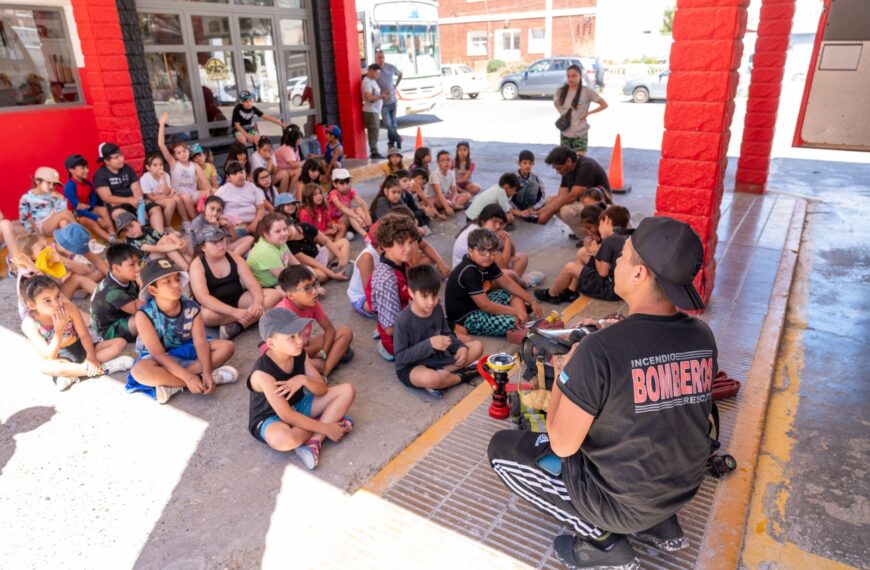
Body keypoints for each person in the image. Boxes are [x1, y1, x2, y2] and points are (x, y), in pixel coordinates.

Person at [488, 216, 714, 569]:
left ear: (639, 274)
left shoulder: (599, 351)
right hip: (681, 489)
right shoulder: (702, 335)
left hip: (619, 503)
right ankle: (660, 524)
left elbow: (563, 444)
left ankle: (603, 543)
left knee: (503, 450)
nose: (617, 262)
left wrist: (566, 374)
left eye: (623, 256)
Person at [246, 307, 355, 469]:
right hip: (271, 418)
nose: (299, 341)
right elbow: (287, 415)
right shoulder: (263, 373)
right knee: (285, 440)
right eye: (291, 337)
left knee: (347, 390)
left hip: (299, 405)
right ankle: (326, 421)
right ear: (271, 344)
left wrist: (303, 380)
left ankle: (315, 441)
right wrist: (326, 428)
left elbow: (322, 389)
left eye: (299, 334)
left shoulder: (299, 353)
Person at [127, 259, 238, 404]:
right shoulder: (144, 315)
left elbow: (200, 343)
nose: (175, 285)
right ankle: (194, 381)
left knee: (227, 347)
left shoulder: (191, 307)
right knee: (139, 371)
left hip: (185, 350)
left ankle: (173, 384)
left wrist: (206, 371)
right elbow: (158, 354)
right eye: (167, 282)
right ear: (153, 290)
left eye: (177, 279)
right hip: (158, 359)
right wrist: (188, 378)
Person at [21, 275, 133, 391]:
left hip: (80, 348)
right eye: (47, 300)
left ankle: (74, 374)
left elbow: (84, 335)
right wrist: (59, 331)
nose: (57, 303)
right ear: (31, 305)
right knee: (46, 367)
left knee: (120, 343)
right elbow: (50, 357)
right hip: (61, 358)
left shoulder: (68, 307)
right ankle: (104, 367)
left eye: (57, 296)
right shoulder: (29, 323)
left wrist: (91, 358)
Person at [394, 264, 483, 398]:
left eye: (434, 295)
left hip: (439, 359)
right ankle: (462, 376)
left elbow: (447, 334)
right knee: (431, 379)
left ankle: (444, 376)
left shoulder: (437, 309)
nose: (431, 302)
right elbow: (401, 358)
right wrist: (429, 344)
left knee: (477, 346)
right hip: (414, 366)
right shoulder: (403, 319)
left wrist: (460, 347)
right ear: (411, 293)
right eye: (424, 297)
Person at [189, 226, 283, 339]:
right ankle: (252, 317)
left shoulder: (233, 256)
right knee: (205, 316)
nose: (221, 245)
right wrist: (234, 312)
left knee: (274, 295)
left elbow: (252, 283)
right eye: (214, 242)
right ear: (202, 247)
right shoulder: (197, 265)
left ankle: (239, 325)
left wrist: (257, 302)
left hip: (238, 299)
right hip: (214, 308)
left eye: (222, 240)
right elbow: (203, 298)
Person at [445, 228, 542, 338]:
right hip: (467, 317)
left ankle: (523, 323)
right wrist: (515, 312)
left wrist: (532, 301)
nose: (488, 255)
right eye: (482, 250)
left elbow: (508, 283)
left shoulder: (488, 262)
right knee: (512, 320)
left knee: (515, 295)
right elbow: (485, 306)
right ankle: (520, 324)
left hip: (479, 304)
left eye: (492, 250)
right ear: (470, 251)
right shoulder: (469, 272)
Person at [535, 205, 630, 304]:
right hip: (619, 284)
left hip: (610, 289)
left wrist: (596, 253)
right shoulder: (624, 235)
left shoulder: (609, 241)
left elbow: (603, 273)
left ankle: (551, 295)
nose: (599, 228)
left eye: (600, 224)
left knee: (570, 268)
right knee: (583, 253)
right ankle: (571, 291)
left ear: (606, 220)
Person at [277, 265, 354, 377]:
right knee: (315, 365)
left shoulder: (312, 303)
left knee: (345, 333)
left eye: (314, 285)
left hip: (304, 348)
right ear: (291, 295)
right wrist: (319, 349)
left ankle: (324, 375)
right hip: (289, 357)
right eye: (307, 288)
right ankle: (327, 363)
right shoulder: (283, 314)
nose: (314, 291)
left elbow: (330, 330)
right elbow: (291, 355)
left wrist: (323, 352)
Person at [365, 213, 418, 361]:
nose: (409, 248)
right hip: (397, 342)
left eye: (411, 242)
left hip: (407, 319)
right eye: (401, 243)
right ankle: (384, 346)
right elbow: (390, 329)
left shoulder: (402, 263)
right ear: (385, 246)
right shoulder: (386, 279)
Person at [452, 204, 543, 288]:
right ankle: (519, 284)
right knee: (507, 273)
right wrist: (507, 240)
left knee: (522, 258)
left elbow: (512, 253)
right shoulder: (480, 235)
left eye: (501, 223)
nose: (498, 226)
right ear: (483, 221)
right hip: (468, 281)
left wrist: (506, 238)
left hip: (477, 271)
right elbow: (504, 267)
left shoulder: (480, 228)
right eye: (494, 222)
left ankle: (514, 285)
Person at [536, 146, 611, 236]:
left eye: (559, 168)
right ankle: (582, 233)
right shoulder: (566, 170)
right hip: (582, 202)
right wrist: (539, 212)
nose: (558, 172)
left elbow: (573, 196)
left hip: (599, 206)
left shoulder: (587, 166)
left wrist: (548, 213)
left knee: (566, 211)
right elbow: (562, 196)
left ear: (568, 161)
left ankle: (590, 236)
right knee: (549, 200)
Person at [93, 142, 164, 230]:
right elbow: (106, 197)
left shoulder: (127, 168)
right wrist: (128, 200)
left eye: (121, 155)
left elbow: (136, 188)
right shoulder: (100, 174)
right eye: (116, 158)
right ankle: (140, 236)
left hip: (134, 201)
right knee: (122, 216)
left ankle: (159, 234)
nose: (121, 159)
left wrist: (141, 208)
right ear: (106, 161)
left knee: (155, 208)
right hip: (117, 204)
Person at [12, 233, 98, 299]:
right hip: (47, 305)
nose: (48, 248)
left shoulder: (48, 258)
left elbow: (86, 270)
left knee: (92, 270)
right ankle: (102, 295)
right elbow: (47, 288)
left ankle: (99, 291)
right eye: (42, 248)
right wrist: (30, 265)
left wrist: (62, 259)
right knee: (78, 278)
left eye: (47, 244)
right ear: (31, 257)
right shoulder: (26, 272)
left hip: (58, 295)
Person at [158, 112, 209, 219]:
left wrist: (209, 191)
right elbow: (161, 145)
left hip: (193, 194)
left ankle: (208, 216)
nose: (183, 154)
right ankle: (195, 220)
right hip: (180, 195)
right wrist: (162, 124)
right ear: (175, 156)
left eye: (184, 151)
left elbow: (205, 182)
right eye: (179, 153)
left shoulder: (194, 165)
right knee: (185, 197)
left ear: (188, 152)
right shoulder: (174, 164)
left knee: (211, 192)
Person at [90, 243, 142, 343]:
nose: (138, 268)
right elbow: (139, 310)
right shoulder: (112, 292)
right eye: (132, 265)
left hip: (122, 316)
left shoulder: (122, 277)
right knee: (143, 317)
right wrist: (142, 286)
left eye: (138, 263)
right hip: (108, 331)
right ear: (117, 268)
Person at [554, 64, 608, 155]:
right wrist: (562, 113)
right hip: (565, 132)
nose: (570, 78)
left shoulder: (586, 91)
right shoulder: (561, 91)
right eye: (568, 76)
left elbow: (604, 104)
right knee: (565, 160)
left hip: (580, 132)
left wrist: (588, 113)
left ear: (580, 76)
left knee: (580, 159)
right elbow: (556, 103)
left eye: (574, 76)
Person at [284, 214, 350, 283]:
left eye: (286, 229)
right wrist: (334, 275)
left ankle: (342, 267)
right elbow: (313, 263)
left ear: (291, 224)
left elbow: (326, 241)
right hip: (311, 265)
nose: (286, 234)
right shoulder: (288, 245)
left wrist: (340, 257)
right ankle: (333, 271)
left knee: (344, 242)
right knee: (322, 276)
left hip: (318, 253)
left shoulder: (305, 226)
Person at [115, 211, 192, 270]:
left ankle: (188, 260)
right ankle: (186, 267)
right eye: (125, 230)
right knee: (166, 241)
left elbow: (166, 236)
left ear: (138, 222)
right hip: (147, 265)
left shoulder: (146, 229)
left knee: (171, 236)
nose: (130, 231)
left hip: (159, 255)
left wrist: (181, 243)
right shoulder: (131, 241)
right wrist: (177, 246)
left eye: (131, 225)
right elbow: (155, 248)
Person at [63, 155, 113, 242]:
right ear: (71, 170)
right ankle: (111, 240)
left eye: (87, 167)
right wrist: (97, 219)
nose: (87, 170)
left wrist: (90, 206)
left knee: (103, 210)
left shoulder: (87, 183)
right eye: (83, 168)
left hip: (87, 208)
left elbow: (93, 198)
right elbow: (78, 208)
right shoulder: (69, 186)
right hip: (76, 214)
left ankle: (113, 234)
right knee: (90, 222)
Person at [139, 153, 191, 232]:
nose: (159, 167)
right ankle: (167, 226)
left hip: (164, 196)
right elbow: (151, 197)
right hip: (152, 200)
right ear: (148, 167)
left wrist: (163, 179)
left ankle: (185, 221)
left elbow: (166, 192)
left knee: (177, 198)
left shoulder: (165, 175)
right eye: (155, 165)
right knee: (170, 203)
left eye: (161, 164)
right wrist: (168, 196)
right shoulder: (144, 178)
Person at [19, 167, 76, 237]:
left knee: (64, 222)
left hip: (55, 221)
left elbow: (61, 211)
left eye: (54, 184)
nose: (51, 187)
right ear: (37, 181)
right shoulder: (27, 198)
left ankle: (70, 241)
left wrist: (61, 199)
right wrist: (33, 234)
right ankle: (81, 234)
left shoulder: (53, 194)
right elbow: (23, 219)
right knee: (66, 213)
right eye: (48, 183)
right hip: (43, 226)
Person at [190, 195, 254, 256]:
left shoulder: (219, 220)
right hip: (206, 252)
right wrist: (214, 226)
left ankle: (233, 257)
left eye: (219, 211)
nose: (215, 213)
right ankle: (234, 258)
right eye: (212, 209)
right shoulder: (197, 222)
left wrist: (230, 227)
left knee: (250, 239)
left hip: (222, 248)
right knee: (245, 250)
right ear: (204, 208)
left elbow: (233, 240)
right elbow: (206, 244)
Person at [247, 213, 297, 288]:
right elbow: (285, 278)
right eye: (278, 231)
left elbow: (296, 264)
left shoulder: (279, 242)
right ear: (266, 234)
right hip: (266, 288)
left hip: (280, 282)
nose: (284, 233)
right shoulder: (265, 251)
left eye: (285, 229)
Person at [215, 161, 265, 236]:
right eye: (235, 174)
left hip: (254, 224)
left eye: (241, 172)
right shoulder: (222, 190)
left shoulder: (251, 186)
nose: (240, 175)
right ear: (228, 177)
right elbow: (213, 208)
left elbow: (260, 208)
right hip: (235, 227)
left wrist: (255, 223)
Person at [328, 168, 372, 239]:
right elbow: (341, 207)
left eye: (347, 182)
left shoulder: (350, 190)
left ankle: (371, 229)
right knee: (351, 213)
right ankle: (366, 237)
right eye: (342, 183)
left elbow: (361, 202)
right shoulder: (333, 194)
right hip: (336, 222)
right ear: (335, 184)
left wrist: (367, 216)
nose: (346, 186)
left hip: (349, 219)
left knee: (359, 209)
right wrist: (356, 217)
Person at [375, 49, 403, 149]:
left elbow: (400, 74)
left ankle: (391, 144)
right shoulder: (374, 69)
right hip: (383, 104)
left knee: (393, 124)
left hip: (393, 101)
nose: (381, 59)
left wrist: (395, 86)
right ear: (375, 59)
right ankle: (398, 138)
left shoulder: (391, 67)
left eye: (382, 57)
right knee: (388, 124)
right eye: (379, 58)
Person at [430, 150, 471, 215]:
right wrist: (447, 206)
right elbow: (439, 194)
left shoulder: (451, 173)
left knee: (468, 195)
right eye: (443, 160)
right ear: (438, 163)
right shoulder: (434, 175)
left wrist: (453, 200)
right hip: (436, 199)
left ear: (451, 161)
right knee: (445, 202)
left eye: (448, 159)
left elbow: (454, 191)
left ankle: (451, 207)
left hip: (446, 197)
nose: (446, 162)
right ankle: (461, 207)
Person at [362, 64, 388, 159]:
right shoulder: (367, 82)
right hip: (370, 111)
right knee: (373, 131)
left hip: (375, 110)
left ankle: (374, 150)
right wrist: (381, 97)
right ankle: (374, 152)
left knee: (375, 131)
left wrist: (383, 95)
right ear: (371, 71)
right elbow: (369, 98)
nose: (378, 75)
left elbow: (375, 95)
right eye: (376, 73)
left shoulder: (373, 81)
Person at [512, 150, 546, 221]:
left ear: (533, 164)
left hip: (530, 206)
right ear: (519, 163)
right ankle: (525, 213)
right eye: (525, 163)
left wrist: (533, 208)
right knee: (532, 184)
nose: (527, 166)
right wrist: (519, 211)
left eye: (530, 163)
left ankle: (530, 213)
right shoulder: (513, 177)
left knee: (535, 184)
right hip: (517, 204)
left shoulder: (535, 176)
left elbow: (542, 195)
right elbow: (508, 199)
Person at [275, 128, 304, 192]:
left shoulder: (295, 147)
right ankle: (290, 192)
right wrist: (305, 162)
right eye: (300, 138)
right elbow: (294, 165)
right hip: (279, 171)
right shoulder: (287, 148)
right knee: (299, 171)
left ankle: (294, 191)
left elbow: (297, 162)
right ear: (296, 139)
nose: (301, 140)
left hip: (286, 169)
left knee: (301, 169)